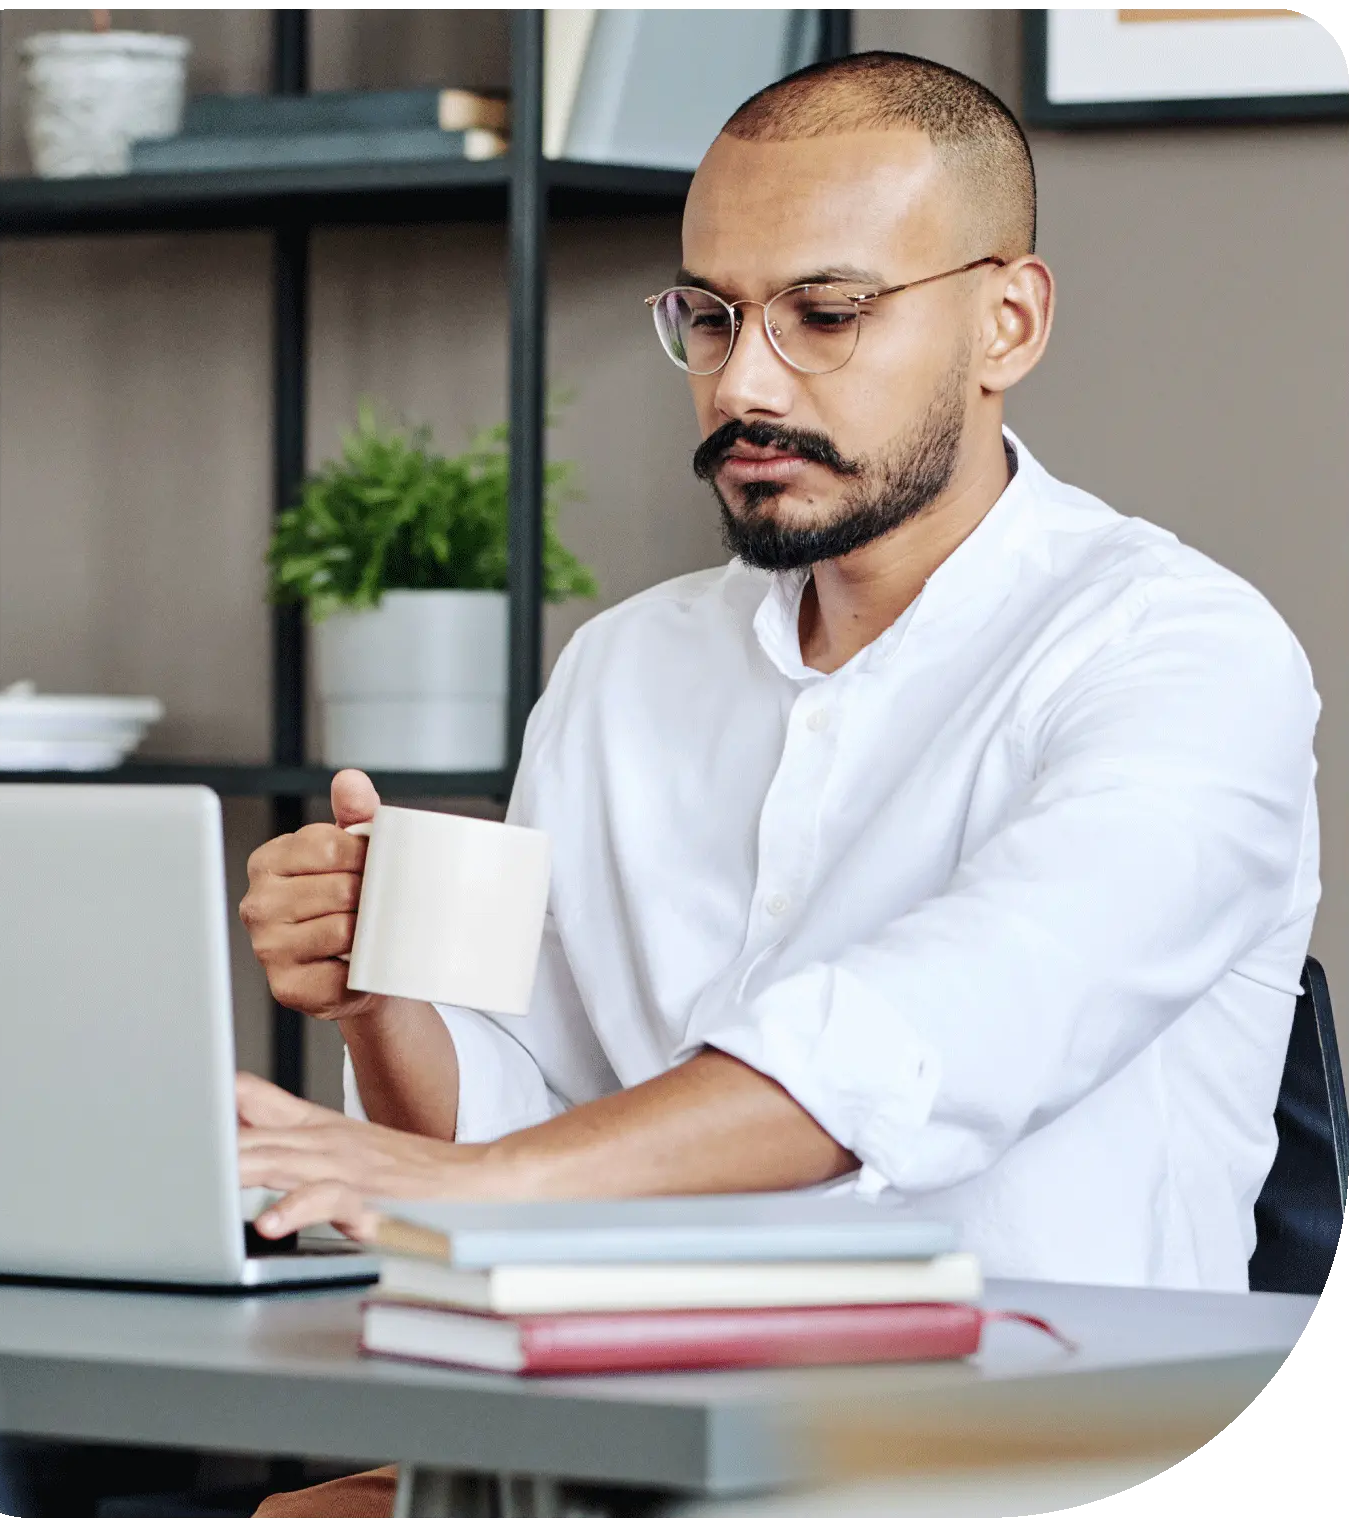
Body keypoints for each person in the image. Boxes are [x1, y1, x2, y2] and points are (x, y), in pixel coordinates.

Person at [238, 45, 1319, 1316]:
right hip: (635, 1409)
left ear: (1006, 323)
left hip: (1028, 1443)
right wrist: (385, 1001)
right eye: (711, 315)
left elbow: (936, 1029)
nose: (742, 382)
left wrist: (487, 1185)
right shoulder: (620, 671)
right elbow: (523, 1131)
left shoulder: (1185, 656)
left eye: (826, 314)